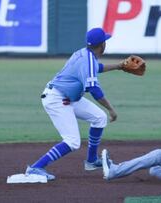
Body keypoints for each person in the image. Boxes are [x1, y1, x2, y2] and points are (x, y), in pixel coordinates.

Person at [25, 28, 124, 180]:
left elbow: (97, 68)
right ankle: (35, 168)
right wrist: (112, 110)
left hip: (66, 97)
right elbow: (94, 90)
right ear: (102, 45)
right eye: (105, 41)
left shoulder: (83, 53)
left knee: (99, 117)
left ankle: (91, 161)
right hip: (57, 98)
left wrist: (119, 66)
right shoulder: (88, 59)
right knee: (72, 141)